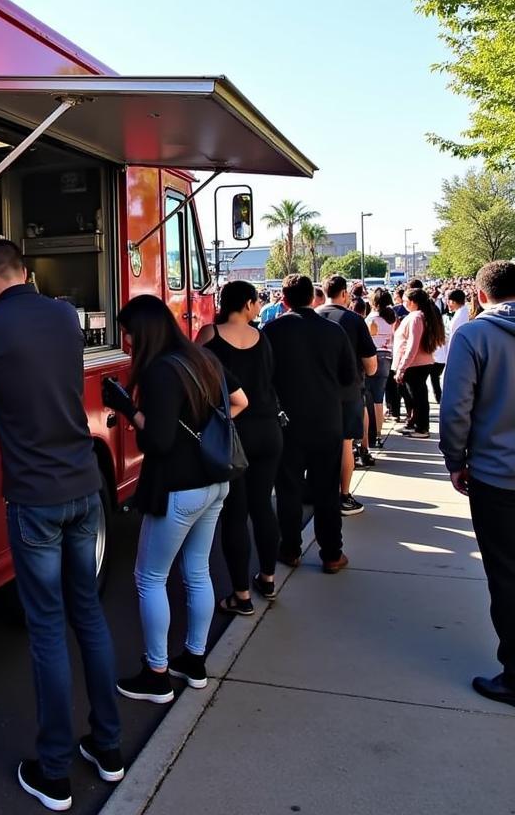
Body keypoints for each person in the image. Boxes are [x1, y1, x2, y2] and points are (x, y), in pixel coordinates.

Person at [0, 239, 122, 810]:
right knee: (90, 619)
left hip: (35, 499)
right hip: (83, 486)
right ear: (25, 271)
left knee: (48, 630)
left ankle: (53, 773)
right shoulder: (64, 315)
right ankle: (109, 747)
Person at [113, 295, 247, 703]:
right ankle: (193, 659)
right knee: (197, 571)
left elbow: (158, 440)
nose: (127, 342)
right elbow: (240, 402)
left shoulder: (159, 372)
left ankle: (156, 674)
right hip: (215, 481)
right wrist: (208, 433)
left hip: (177, 487)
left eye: (129, 333)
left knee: (150, 577)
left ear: (145, 332)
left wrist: (125, 408)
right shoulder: (202, 358)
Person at [440, 261, 515, 712]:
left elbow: (456, 407)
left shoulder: (474, 335)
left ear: (481, 296)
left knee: (509, 578)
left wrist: (455, 459)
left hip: (498, 475)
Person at [198, 281, 283, 614]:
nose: (259, 307)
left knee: (235, 512)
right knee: (263, 506)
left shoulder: (209, 335)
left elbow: (193, 372)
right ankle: (268, 577)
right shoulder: (263, 337)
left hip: (232, 431)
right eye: (257, 302)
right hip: (269, 430)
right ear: (247, 304)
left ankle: (241, 595)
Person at [264, 274, 356, 573]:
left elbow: (264, 377)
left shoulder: (272, 330)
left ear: (285, 299)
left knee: (288, 488)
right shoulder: (334, 331)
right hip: (327, 420)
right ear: (312, 297)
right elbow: (348, 377)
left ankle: (289, 549)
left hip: (287, 422)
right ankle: (332, 553)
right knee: (326, 490)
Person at [318, 275, 378, 515]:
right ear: (344, 293)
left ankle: (319, 489)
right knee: (345, 443)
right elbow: (371, 365)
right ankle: (344, 495)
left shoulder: (311, 316)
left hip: (316, 391)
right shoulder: (354, 320)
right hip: (347, 391)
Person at [393, 288, 445, 440]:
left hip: (415, 364)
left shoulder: (416, 317)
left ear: (412, 301)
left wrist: (402, 367)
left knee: (418, 398)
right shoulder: (419, 315)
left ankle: (421, 427)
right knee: (416, 396)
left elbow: (412, 344)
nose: (403, 303)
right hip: (418, 362)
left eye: (405, 300)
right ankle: (415, 423)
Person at [365, 288, 397, 446]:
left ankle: (371, 432)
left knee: (369, 397)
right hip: (387, 356)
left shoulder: (372, 319)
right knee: (379, 398)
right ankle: (378, 434)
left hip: (373, 356)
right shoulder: (391, 318)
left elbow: (368, 340)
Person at [445, 288, 470, 353]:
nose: (447, 304)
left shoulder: (461, 314)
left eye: (448, 301)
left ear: (453, 302)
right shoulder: (462, 311)